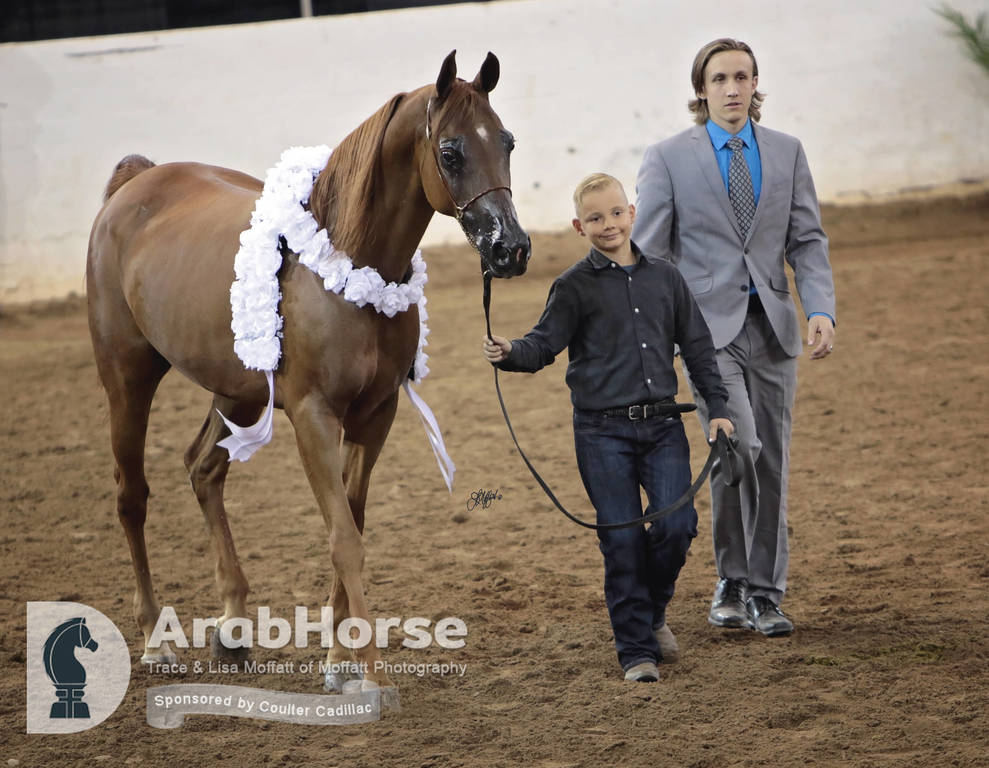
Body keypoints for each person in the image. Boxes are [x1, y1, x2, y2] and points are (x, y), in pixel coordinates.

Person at [482, 173, 733, 682]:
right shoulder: (573, 287)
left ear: (632, 212)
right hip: (601, 434)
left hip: (663, 426)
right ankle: (636, 652)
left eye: (616, 213)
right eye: (595, 218)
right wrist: (511, 353)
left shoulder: (666, 278)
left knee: (675, 526)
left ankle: (651, 611)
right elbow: (544, 344)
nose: (608, 225)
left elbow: (699, 349)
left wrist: (720, 408)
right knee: (620, 539)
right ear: (580, 226)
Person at [631, 38, 836, 638]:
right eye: (719, 78)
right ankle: (732, 575)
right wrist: (656, 338)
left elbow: (808, 239)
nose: (732, 88)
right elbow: (651, 254)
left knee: (771, 460)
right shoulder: (668, 157)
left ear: (755, 84)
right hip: (705, 336)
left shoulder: (787, 152)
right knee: (737, 446)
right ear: (702, 89)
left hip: (774, 330)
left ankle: (763, 592)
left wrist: (819, 306)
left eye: (742, 77)